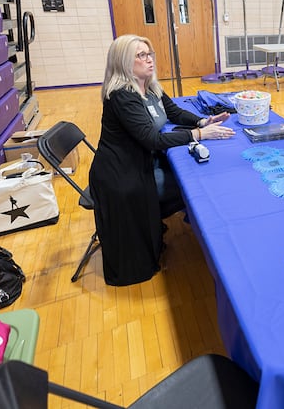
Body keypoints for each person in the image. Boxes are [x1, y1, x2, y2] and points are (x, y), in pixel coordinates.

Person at [89, 35, 234, 286]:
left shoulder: (150, 85)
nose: (149, 60)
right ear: (123, 62)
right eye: (140, 55)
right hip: (120, 173)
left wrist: (203, 121)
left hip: (140, 160)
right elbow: (152, 140)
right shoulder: (122, 95)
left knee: (187, 177)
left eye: (149, 54)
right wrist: (199, 135)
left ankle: (163, 226)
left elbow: (173, 111)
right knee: (188, 186)